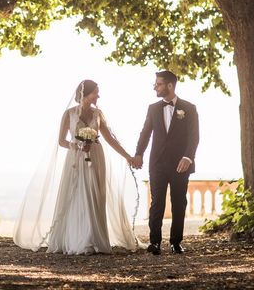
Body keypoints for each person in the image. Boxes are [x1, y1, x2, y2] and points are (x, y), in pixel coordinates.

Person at [13, 79, 141, 255]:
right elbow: (61, 141)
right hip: (75, 159)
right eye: (96, 92)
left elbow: (110, 139)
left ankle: (95, 238)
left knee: (96, 195)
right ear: (85, 94)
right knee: (77, 195)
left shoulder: (98, 114)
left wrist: (128, 157)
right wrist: (78, 146)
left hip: (95, 156)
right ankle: (78, 238)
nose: (99, 95)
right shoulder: (69, 114)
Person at [133, 70, 200, 255]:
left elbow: (194, 136)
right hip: (158, 164)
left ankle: (176, 242)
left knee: (179, 203)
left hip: (181, 164)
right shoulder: (153, 108)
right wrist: (139, 153)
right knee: (157, 203)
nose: (155, 86)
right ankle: (154, 242)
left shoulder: (189, 108)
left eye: (159, 84)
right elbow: (145, 133)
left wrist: (188, 157)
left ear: (170, 85)